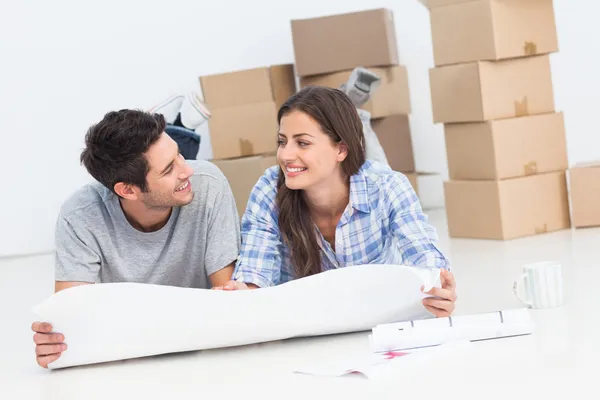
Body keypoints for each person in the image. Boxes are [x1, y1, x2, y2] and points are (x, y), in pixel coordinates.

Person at [218, 86, 457, 318]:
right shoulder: (269, 190)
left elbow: (425, 256)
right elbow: (254, 269)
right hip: (308, 325)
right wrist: (244, 293)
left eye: (302, 143)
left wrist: (439, 288)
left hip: (377, 315)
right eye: (282, 141)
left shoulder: (387, 186)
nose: (285, 155)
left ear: (341, 150)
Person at [31, 109, 241, 368]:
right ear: (127, 190)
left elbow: (232, 306)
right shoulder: (80, 215)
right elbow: (73, 325)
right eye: (168, 170)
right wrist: (57, 344)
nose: (187, 170)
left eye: (179, 155)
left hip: (201, 354)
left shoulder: (208, 184)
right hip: (133, 363)